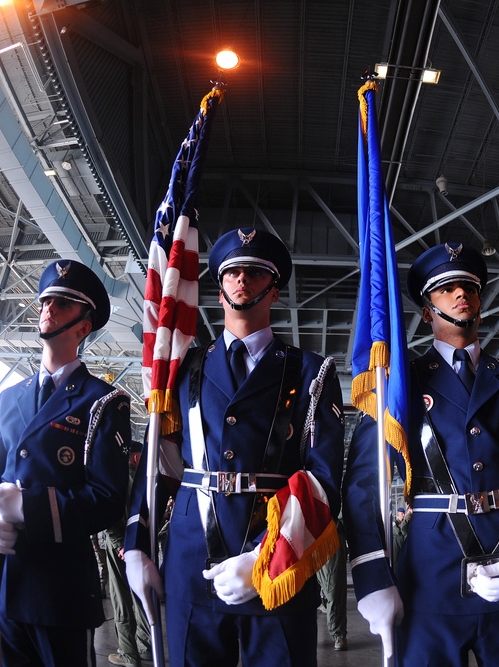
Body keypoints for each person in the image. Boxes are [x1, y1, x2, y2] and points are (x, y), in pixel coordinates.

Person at [123, 228, 345, 667]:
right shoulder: (183, 370)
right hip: (191, 563)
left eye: (255, 273)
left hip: (277, 565)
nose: (242, 280)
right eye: (232, 273)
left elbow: (323, 480)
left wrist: (265, 556)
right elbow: (161, 465)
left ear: (274, 291)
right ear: (219, 290)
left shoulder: (311, 373)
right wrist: (136, 541)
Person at [346, 244, 499, 666]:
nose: (461, 295)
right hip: (430, 578)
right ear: (428, 312)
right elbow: (361, 485)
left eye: (468, 287)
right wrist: (373, 576)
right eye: (446, 289)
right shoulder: (400, 384)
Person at [0, 259, 131, 665]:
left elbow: (108, 497)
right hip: (5, 579)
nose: (48, 310)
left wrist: (31, 509)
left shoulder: (103, 401)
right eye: (45, 301)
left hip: (59, 589)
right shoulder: (10, 397)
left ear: (83, 326)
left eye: (62, 304)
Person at [101, 444, 150, 667]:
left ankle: (129, 654)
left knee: (120, 598)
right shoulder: (145, 484)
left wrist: (120, 544)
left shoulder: (118, 479)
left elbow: (108, 516)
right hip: (139, 546)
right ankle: (144, 645)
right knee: (140, 595)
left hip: (119, 546)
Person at [316, 517, 348, 652]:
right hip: (304, 534)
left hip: (329, 535)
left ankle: (338, 634)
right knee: (301, 592)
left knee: (334, 590)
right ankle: (302, 635)